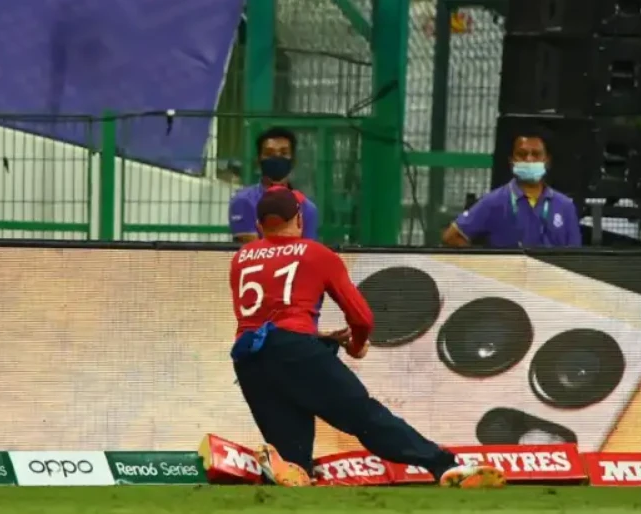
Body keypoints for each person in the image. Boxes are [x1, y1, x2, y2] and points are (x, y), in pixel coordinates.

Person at [228, 186, 505, 489]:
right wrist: (356, 345)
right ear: (299, 219)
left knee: (296, 466)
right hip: (296, 353)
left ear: (258, 225)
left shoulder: (242, 258)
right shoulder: (316, 254)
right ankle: (444, 465)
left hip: (249, 361)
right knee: (365, 417)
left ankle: (282, 465)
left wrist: (318, 338)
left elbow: (265, 320)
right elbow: (362, 318)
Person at [441, 134, 581, 248]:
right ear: (512, 161)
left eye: (536, 154)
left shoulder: (565, 206)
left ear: (547, 161)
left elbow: (576, 257)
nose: (529, 159)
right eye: (522, 154)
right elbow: (452, 236)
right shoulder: (493, 202)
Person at [228, 127, 319, 242]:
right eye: (269, 153)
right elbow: (249, 249)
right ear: (258, 159)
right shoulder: (242, 201)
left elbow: (307, 250)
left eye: (284, 153)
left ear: (293, 160)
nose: (276, 158)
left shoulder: (307, 208)